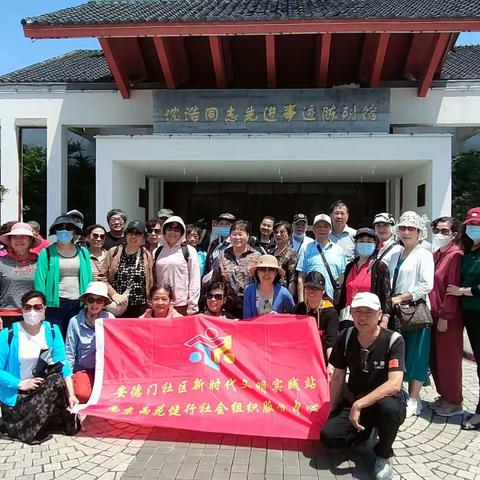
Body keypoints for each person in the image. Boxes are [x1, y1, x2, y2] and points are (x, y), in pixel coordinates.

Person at [321, 292, 406, 480]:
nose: (362, 317)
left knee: (388, 410)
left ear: (379, 314)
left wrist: (359, 405)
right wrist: (332, 410)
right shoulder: (346, 336)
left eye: (368, 312)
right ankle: (366, 432)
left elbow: (394, 384)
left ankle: (383, 454)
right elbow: (338, 376)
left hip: (384, 401)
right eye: (357, 311)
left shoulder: (393, 340)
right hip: (355, 398)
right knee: (328, 436)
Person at [0, 290, 79, 445]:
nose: (32, 311)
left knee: (70, 425)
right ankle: (21, 427)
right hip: (18, 395)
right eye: (27, 307)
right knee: (54, 384)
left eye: (37, 307)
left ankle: (36, 422)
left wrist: (71, 395)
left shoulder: (52, 331)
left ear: (44, 309)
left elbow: (63, 364)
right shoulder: (7, 334)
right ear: (21, 309)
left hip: (40, 390)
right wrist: (20, 383)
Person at [388, 211, 434, 417]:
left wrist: (402, 297)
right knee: (400, 353)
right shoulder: (396, 253)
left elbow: (426, 285)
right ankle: (402, 392)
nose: (406, 232)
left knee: (417, 354)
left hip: (415, 310)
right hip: (396, 311)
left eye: (411, 229)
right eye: (403, 228)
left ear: (419, 232)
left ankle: (415, 399)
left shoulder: (424, 254)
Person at [447, 207, 480, 430]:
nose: (473, 229)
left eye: (477, 226)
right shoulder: (467, 250)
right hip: (469, 314)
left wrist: (464, 291)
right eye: (470, 225)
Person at [427, 217, 463, 417]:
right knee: (436, 359)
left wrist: (445, 316)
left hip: (446, 318)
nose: (440, 234)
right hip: (432, 314)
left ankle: (454, 400)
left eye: (445, 231)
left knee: (448, 359)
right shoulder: (435, 255)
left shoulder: (455, 256)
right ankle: (444, 395)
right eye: (437, 230)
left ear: (454, 234)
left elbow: (451, 289)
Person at [34, 216, 92, 338]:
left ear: (74, 231)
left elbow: (89, 277)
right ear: (55, 231)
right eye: (60, 228)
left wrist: (89, 299)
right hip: (55, 304)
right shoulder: (47, 252)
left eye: (68, 228)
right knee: (56, 338)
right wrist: (40, 304)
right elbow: (40, 280)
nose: (64, 231)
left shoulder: (83, 252)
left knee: (76, 338)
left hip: (79, 302)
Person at [65, 282, 114, 403]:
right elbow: (69, 352)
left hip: (105, 370)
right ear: (86, 301)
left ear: (104, 304)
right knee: (81, 395)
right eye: (91, 300)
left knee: (109, 397)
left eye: (99, 301)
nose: (95, 304)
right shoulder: (74, 321)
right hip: (83, 369)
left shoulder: (110, 319)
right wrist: (69, 377)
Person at [337, 228, 391, 331]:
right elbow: (343, 294)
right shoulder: (350, 266)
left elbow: (386, 295)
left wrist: (385, 320)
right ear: (356, 244)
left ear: (375, 244)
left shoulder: (379, 266)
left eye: (369, 242)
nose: (365, 244)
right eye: (361, 241)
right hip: (348, 317)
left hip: (369, 317)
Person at [100, 220, 153, 318]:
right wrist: (114, 294)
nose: (133, 236)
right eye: (130, 233)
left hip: (140, 307)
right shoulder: (114, 252)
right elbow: (102, 277)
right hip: (117, 305)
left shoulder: (147, 255)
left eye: (138, 234)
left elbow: (152, 281)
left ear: (143, 237)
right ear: (125, 235)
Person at [211, 220, 262, 319]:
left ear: (248, 236)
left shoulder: (257, 256)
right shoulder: (222, 256)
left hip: (252, 304)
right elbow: (215, 281)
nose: (237, 238)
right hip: (228, 306)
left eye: (240, 234)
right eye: (234, 234)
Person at [296, 214, 347, 306]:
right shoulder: (306, 248)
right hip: (310, 301)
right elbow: (301, 277)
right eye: (318, 226)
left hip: (333, 301)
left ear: (330, 230)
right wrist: (301, 301)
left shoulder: (339, 250)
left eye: (325, 227)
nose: (322, 229)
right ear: (314, 230)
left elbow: (342, 277)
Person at [154, 216, 200, 315]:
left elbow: (194, 279)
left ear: (182, 232)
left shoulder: (189, 251)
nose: (173, 232)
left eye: (177, 229)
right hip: (161, 303)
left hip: (181, 304)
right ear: (164, 231)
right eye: (169, 229)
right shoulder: (157, 251)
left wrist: (193, 304)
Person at [0, 223, 42, 329]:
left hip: (33, 313)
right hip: (7, 314)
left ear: (30, 240)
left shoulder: (39, 260)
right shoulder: (2, 261)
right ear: (10, 240)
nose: (19, 240)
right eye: (15, 237)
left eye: (23, 237)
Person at [295, 271, 338, 364]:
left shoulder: (331, 313)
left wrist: (330, 365)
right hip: (301, 356)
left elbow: (330, 343)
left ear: (323, 291)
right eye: (308, 287)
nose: (311, 291)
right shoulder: (298, 309)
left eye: (316, 288)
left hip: (321, 358)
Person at [243, 255, 295, 319]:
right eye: (262, 269)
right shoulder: (249, 290)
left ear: (276, 273)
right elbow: (246, 318)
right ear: (257, 272)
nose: (266, 273)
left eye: (271, 269)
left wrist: (279, 317)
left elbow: (293, 315)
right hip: (254, 328)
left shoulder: (283, 292)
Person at [271, 221, 298, 297]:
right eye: (276, 232)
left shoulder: (292, 254)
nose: (278, 235)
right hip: (269, 294)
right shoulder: (270, 253)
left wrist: (289, 298)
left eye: (282, 232)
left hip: (283, 294)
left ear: (289, 236)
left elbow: (292, 279)